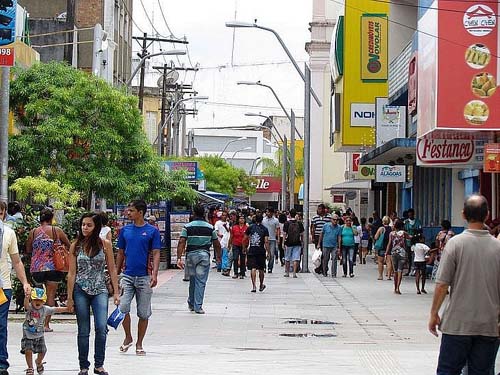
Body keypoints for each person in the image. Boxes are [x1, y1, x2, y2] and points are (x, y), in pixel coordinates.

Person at [429, 195, 500, 374]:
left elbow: (442, 284)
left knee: (448, 371)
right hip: (489, 325)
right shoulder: (498, 247)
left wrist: (434, 313)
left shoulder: (455, 244)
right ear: (487, 215)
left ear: (463, 214)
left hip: (457, 325)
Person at [66, 213, 119, 375]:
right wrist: (69, 298)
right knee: (83, 329)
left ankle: (99, 364)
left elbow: (112, 269)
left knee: (101, 327)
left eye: (89, 225)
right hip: (80, 289)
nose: (85, 228)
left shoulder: (105, 245)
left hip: (100, 289)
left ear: (96, 227)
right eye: (83, 225)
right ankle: (83, 366)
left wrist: (116, 292)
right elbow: (72, 273)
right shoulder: (75, 245)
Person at [115, 200, 161, 356]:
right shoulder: (125, 230)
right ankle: (128, 336)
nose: (128, 213)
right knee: (122, 308)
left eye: (131, 211)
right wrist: (116, 273)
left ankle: (139, 343)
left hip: (144, 276)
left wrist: (155, 274)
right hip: (127, 275)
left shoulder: (152, 231)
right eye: (128, 210)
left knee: (143, 312)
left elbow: (155, 253)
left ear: (140, 212)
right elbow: (120, 252)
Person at [25, 208, 71, 332]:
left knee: (37, 296)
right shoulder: (57, 231)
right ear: (52, 218)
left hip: (37, 268)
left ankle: (35, 323)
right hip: (54, 267)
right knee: (51, 295)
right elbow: (69, 245)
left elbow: (28, 249)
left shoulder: (33, 232)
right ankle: (46, 325)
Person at [0, 209, 31, 375]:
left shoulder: (8, 233)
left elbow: (16, 261)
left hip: (3, 287)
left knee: (0, 326)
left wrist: (25, 282)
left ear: (3, 213)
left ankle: (1, 363)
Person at [177, 205, 221, 314]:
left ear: (194, 213)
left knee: (192, 280)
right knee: (201, 281)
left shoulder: (187, 227)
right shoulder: (210, 227)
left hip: (191, 256)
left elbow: (182, 241)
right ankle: (198, 306)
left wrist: (179, 258)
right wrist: (219, 257)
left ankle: (191, 303)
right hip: (204, 256)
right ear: (204, 213)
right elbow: (217, 244)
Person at [22, 287, 69, 375]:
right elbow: (26, 305)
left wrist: (67, 308)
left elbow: (55, 309)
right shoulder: (30, 308)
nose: (38, 302)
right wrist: (27, 297)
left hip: (39, 335)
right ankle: (30, 368)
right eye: (35, 299)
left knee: (43, 351)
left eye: (40, 300)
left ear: (44, 301)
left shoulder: (45, 309)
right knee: (28, 350)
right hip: (28, 334)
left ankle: (38, 362)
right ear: (32, 300)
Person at [243, 213, 269, 292]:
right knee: (261, 269)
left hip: (252, 250)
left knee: (253, 268)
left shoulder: (250, 228)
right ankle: (261, 285)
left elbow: (245, 238)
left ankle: (254, 286)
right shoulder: (265, 229)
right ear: (262, 220)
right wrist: (268, 252)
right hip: (261, 251)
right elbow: (266, 241)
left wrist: (244, 247)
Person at [386, 219, 410, 294]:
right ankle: (398, 288)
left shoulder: (391, 234)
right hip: (402, 253)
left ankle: (395, 287)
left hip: (393, 253)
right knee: (400, 271)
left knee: (395, 271)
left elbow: (389, 244)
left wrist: (386, 253)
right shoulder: (404, 233)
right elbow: (410, 237)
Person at [283, 209, 304, 278]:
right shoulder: (299, 223)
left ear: (289, 214)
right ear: (296, 215)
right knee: (296, 258)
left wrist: (283, 242)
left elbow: (284, 234)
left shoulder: (286, 223)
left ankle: (287, 272)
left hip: (288, 242)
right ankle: (294, 273)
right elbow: (302, 234)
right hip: (297, 242)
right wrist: (302, 241)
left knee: (287, 258)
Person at [404, 208, 422, 276]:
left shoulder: (418, 222)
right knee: (409, 256)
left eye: (411, 215)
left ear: (413, 214)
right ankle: (409, 270)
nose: (410, 216)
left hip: (416, 241)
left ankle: (415, 270)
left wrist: (415, 235)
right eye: (409, 215)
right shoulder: (406, 222)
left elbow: (420, 230)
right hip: (408, 241)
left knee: (416, 256)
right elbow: (404, 231)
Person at [229, 215, 247, 279]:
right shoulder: (234, 227)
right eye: (240, 218)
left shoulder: (247, 228)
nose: (242, 220)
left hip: (243, 246)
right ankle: (235, 273)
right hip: (235, 244)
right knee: (235, 258)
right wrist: (229, 244)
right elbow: (231, 236)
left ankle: (242, 273)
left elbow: (248, 237)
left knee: (242, 259)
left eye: (243, 218)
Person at [373, 216, 391, 280]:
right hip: (389, 247)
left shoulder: (381, 229)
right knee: (389, 262)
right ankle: (389, 276)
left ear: (383, 221)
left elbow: (376, 237)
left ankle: (380, 275)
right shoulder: (391, 228)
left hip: (382, 247)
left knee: (380, 262)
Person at [262, 208, 279, 273]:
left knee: (272, 254)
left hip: (272, 239)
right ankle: (263, 267)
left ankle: (270, 267)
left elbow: (277, 229)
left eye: (268, 212)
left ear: (272, 213)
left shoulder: (276, 220)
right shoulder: (263, 220)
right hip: (264, 239)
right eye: (266, 212)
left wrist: (278, 239)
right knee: (263, 254)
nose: (267, 213)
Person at [214, 212, 231, 276]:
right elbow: (216, 231)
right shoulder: (217, 223)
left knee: (225, 255)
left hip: (225, 241)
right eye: (223, 215)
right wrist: (219, 235)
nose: (224, 216)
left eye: (225, 215)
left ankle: (224, 267)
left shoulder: (228, 223)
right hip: (219, 240)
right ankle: (219, 266)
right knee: (219, 255)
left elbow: (229, 231)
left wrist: (226, 226)